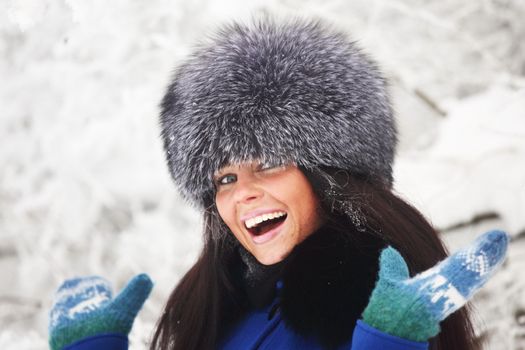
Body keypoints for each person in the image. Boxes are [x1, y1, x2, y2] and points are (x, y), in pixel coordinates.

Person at [48, 16, 509, 350]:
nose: (242, 192)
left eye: (267, 162)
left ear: (330, 174)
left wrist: (386, 344)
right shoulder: (218, 311)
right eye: (225, 177)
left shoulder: (384, 313)